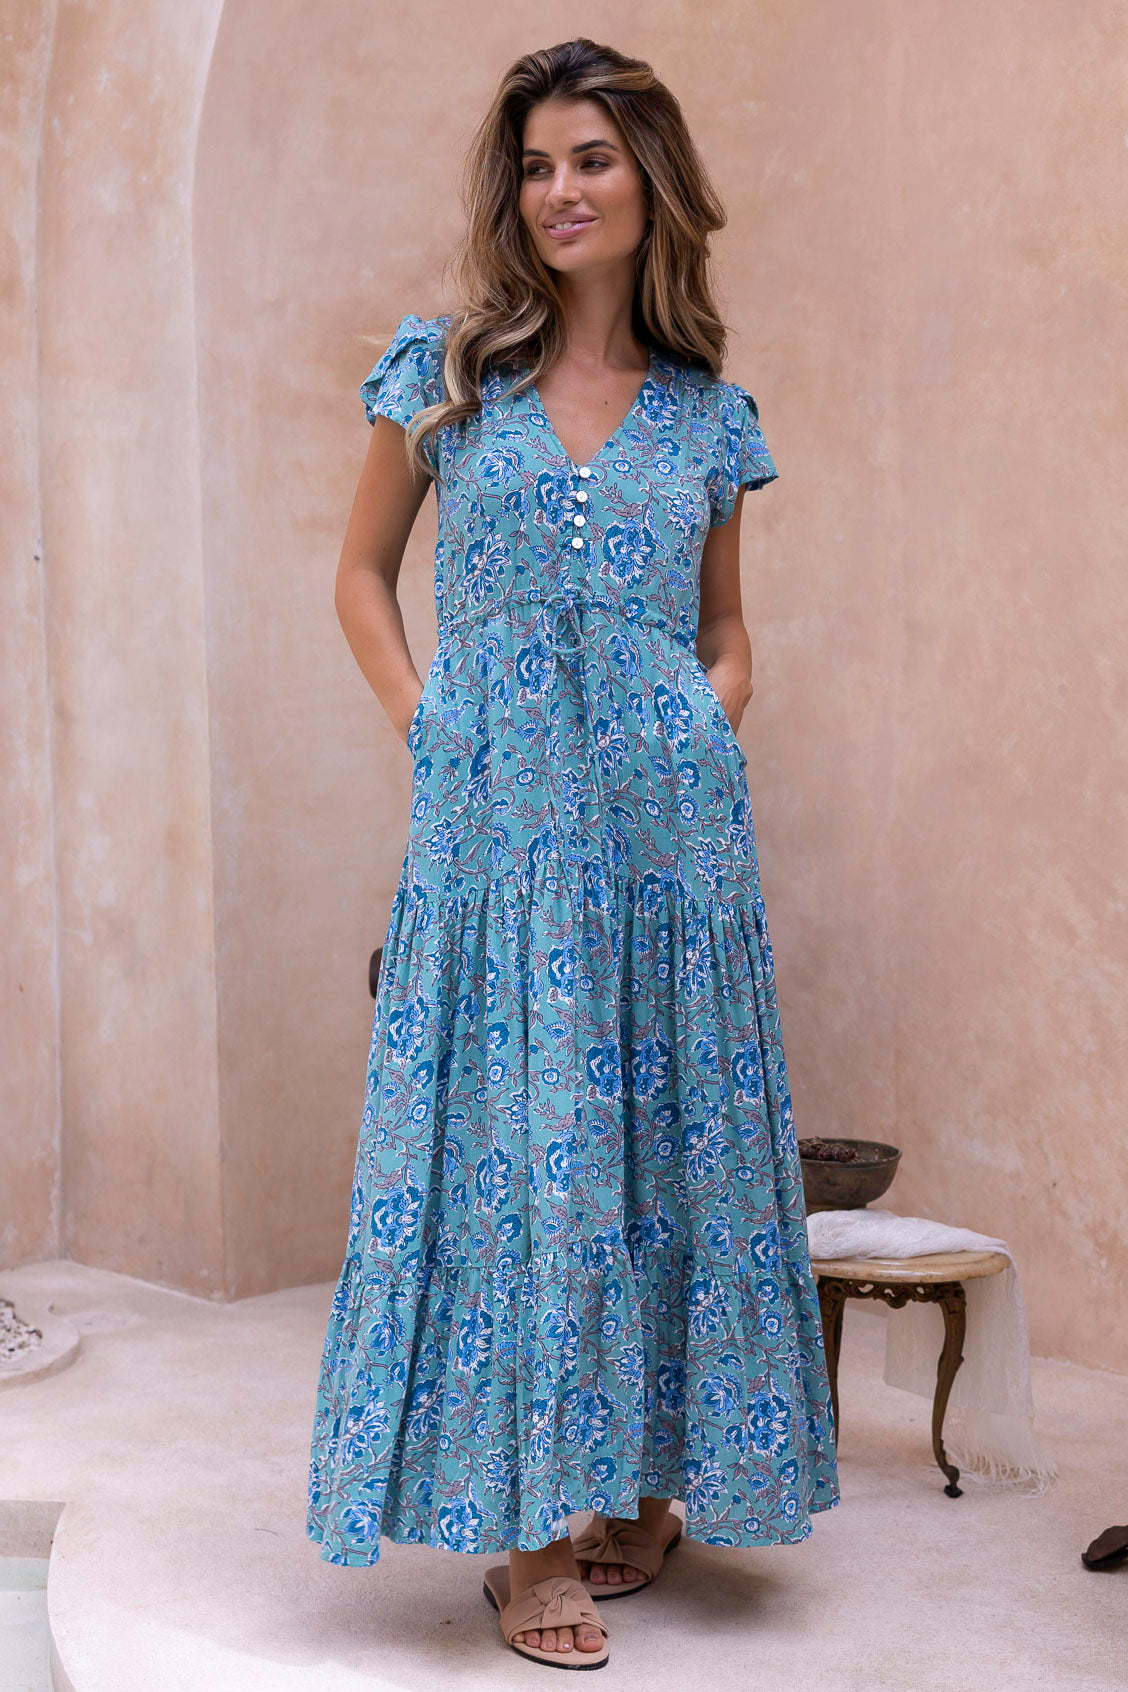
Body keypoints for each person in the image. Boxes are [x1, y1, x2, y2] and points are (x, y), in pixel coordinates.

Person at [306, 35, 840, 1670]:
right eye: (536, 164)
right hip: (500, 850)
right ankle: (529, 1545)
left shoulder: (707, 417)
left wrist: (712, 712)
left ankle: (647, 1492)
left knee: (667, 1148)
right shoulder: (448, 375)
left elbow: (730, 629)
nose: (561, 192)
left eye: (591, 160)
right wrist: (428, 724)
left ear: (648, 180)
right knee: (525, 1165)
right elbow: (358, 579)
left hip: (672, 853)